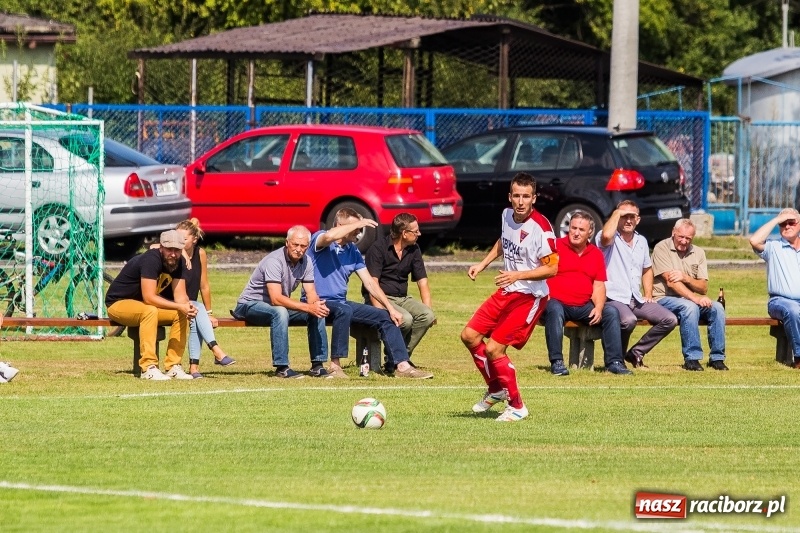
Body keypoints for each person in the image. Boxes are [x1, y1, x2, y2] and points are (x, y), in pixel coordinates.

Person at [461, 172, 558, 422]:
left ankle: (517, 406)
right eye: (517, 195)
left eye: (526, 196)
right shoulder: (506, 215)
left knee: (494, 349)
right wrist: (482, 264)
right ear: (510, 197)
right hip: (508, 290)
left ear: (534, 198)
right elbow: (504, 242)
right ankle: (495, 389)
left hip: (530, 296)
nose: (521, 201)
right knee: (469, 336)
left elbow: (552, 268)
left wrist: (518, 275)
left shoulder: (542, 229)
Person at [308, 207, 433, 379]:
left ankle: (402, 365)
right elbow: (330, 236)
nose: (359, 233)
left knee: (385, 316)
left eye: (360, 229)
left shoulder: (353, 250)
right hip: (317, 301)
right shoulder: (320, 240)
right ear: (339, 225)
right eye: (355, 229)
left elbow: (370, 283)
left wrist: (390, 308)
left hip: (341, 303)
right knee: (343, 310)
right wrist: (359, 222)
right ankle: (335, 366)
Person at [232, 225, 330, 378]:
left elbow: (311, 292)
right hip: (249, 304)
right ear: (287, 242)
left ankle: (317, 365)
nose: (299, 249)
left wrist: (316, 305)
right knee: (280, 312)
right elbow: (276, 298)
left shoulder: (307, 261)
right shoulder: (274, 261)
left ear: (308, 246)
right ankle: (282, 367)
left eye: (303, 246)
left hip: (274, 306)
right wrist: (308, 307)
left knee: (317, 312)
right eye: (295, 244)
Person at [543, 211, 631, 375]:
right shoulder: (554, 247)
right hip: (558, 303)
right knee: (553, 308)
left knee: (611, 311)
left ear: (590, 232)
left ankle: (615, 363)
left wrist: (598, 307)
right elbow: (540, 273)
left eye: (581, 230)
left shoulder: (596, 253)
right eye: (573, 228)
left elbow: (599, 286)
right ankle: (557, 362)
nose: (576, 233)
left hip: (583, 305)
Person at [106, 230, 197, 380]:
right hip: (118, 304)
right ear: (161, 247)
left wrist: (187, 307)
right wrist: (179, 306)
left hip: (142, 306)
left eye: (177, 250)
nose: (173, 254)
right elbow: (149, 297)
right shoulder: (151, 259)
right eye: (169, 249)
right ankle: (148, 368)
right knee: (150, 310)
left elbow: (180, 296)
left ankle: (173, 366)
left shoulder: (178, 262)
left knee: (180, 313)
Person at [597, 200, 677, 368]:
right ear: (617, 217)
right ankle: (615, 360)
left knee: (669, 319)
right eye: (623, 216)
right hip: (614, 297)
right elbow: (605, 236)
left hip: (636, 298)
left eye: (631, 217)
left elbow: (647, 269)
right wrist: (617, 213)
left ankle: (636, 352)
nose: (628, 220)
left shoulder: (641, 241)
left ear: (638, 220)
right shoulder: (609, 237)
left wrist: (648, 294)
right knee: (628, 320)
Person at [652, 219, 728, 370]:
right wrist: (695, 299)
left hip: (689, 300)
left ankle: (717, 358)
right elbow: (671, 282)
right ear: (673, 232)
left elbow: (703, 287)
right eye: (681, 236)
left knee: (717, 307)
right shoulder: (661, 248)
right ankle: (692, 358)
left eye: (688, 238)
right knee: (690, 307)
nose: (684, 241)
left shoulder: (698, 252)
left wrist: (685, 277)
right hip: (664, 299)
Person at [362, 213, 436, 371]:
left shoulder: (414, 249)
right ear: (404, 233)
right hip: (379, 298)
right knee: (406, 319)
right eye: (416, 231)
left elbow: (422, 281)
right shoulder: (378, 248)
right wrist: (380, 312)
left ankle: (400, 358)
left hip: (402, 297)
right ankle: (397, 359)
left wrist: (429, 309)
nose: (419, 234)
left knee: (427, 316)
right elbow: (372, 284)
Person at [174, 218, 236, 378]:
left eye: (184, 239)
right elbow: (153, 246)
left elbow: (204, 285)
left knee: (197, 314)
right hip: (173, 302)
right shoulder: (172, 252)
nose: (180, 242)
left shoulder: (200, 253)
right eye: (178, 238)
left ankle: (194, 369)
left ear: (194, 239)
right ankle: (216, 350)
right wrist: (181, 253)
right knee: (197, 308)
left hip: (192, 305)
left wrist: (209, 312)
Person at [749, 207, 800, 368]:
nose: (787, 226)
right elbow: (754, 241)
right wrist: (775, 220)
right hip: (780, 301)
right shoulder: (773, 247)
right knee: (793, 310)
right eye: (782, 224)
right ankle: (799, 357)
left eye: (791, 222)